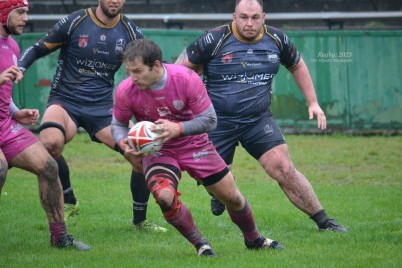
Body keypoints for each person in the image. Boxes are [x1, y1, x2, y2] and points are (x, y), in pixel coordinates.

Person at [175, 0, 347, 232]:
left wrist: (313, 102)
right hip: (217, 121)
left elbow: (297, 66)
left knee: (283, 167)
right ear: (233, 16)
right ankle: (219, 190)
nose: (249, 23)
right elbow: (182, 71)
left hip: (257, 120)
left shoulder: (277, 40)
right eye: (244, 17)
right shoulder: (213, 39)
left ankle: (324, 222)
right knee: (212, 178)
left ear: (263, 17)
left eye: (255, 17)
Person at [112, 38, 285, 257]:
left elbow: (210, 120)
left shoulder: (186, 79)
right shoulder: (126, 90)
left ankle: (254, 239)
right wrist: (123, 143)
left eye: (137, 71)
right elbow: (118, 124)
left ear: (156, 65)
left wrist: (178, 128)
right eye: (129, 71)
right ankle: (201, 244)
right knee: (165, 198)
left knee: (232, 198)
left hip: (194, 145)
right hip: (159, 152)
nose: (132, 77)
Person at [18, 0, 166, 232]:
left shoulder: (130, 31)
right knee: (50, 144)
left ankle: (140, 221)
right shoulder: (75, 21)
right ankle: (69, 201)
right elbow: (38, 48)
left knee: (139, 154)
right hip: (65, 101)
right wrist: (20, 68)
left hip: (103, 107)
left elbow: (153, 65)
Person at [0, 0, 89, 250]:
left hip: (5, 125)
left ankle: (60, 238)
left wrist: (16, 113)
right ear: (3, 13)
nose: (25, 18)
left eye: (26, 12)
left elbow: (4, 92)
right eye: (20, 12)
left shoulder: (13, 45)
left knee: (49, 167)